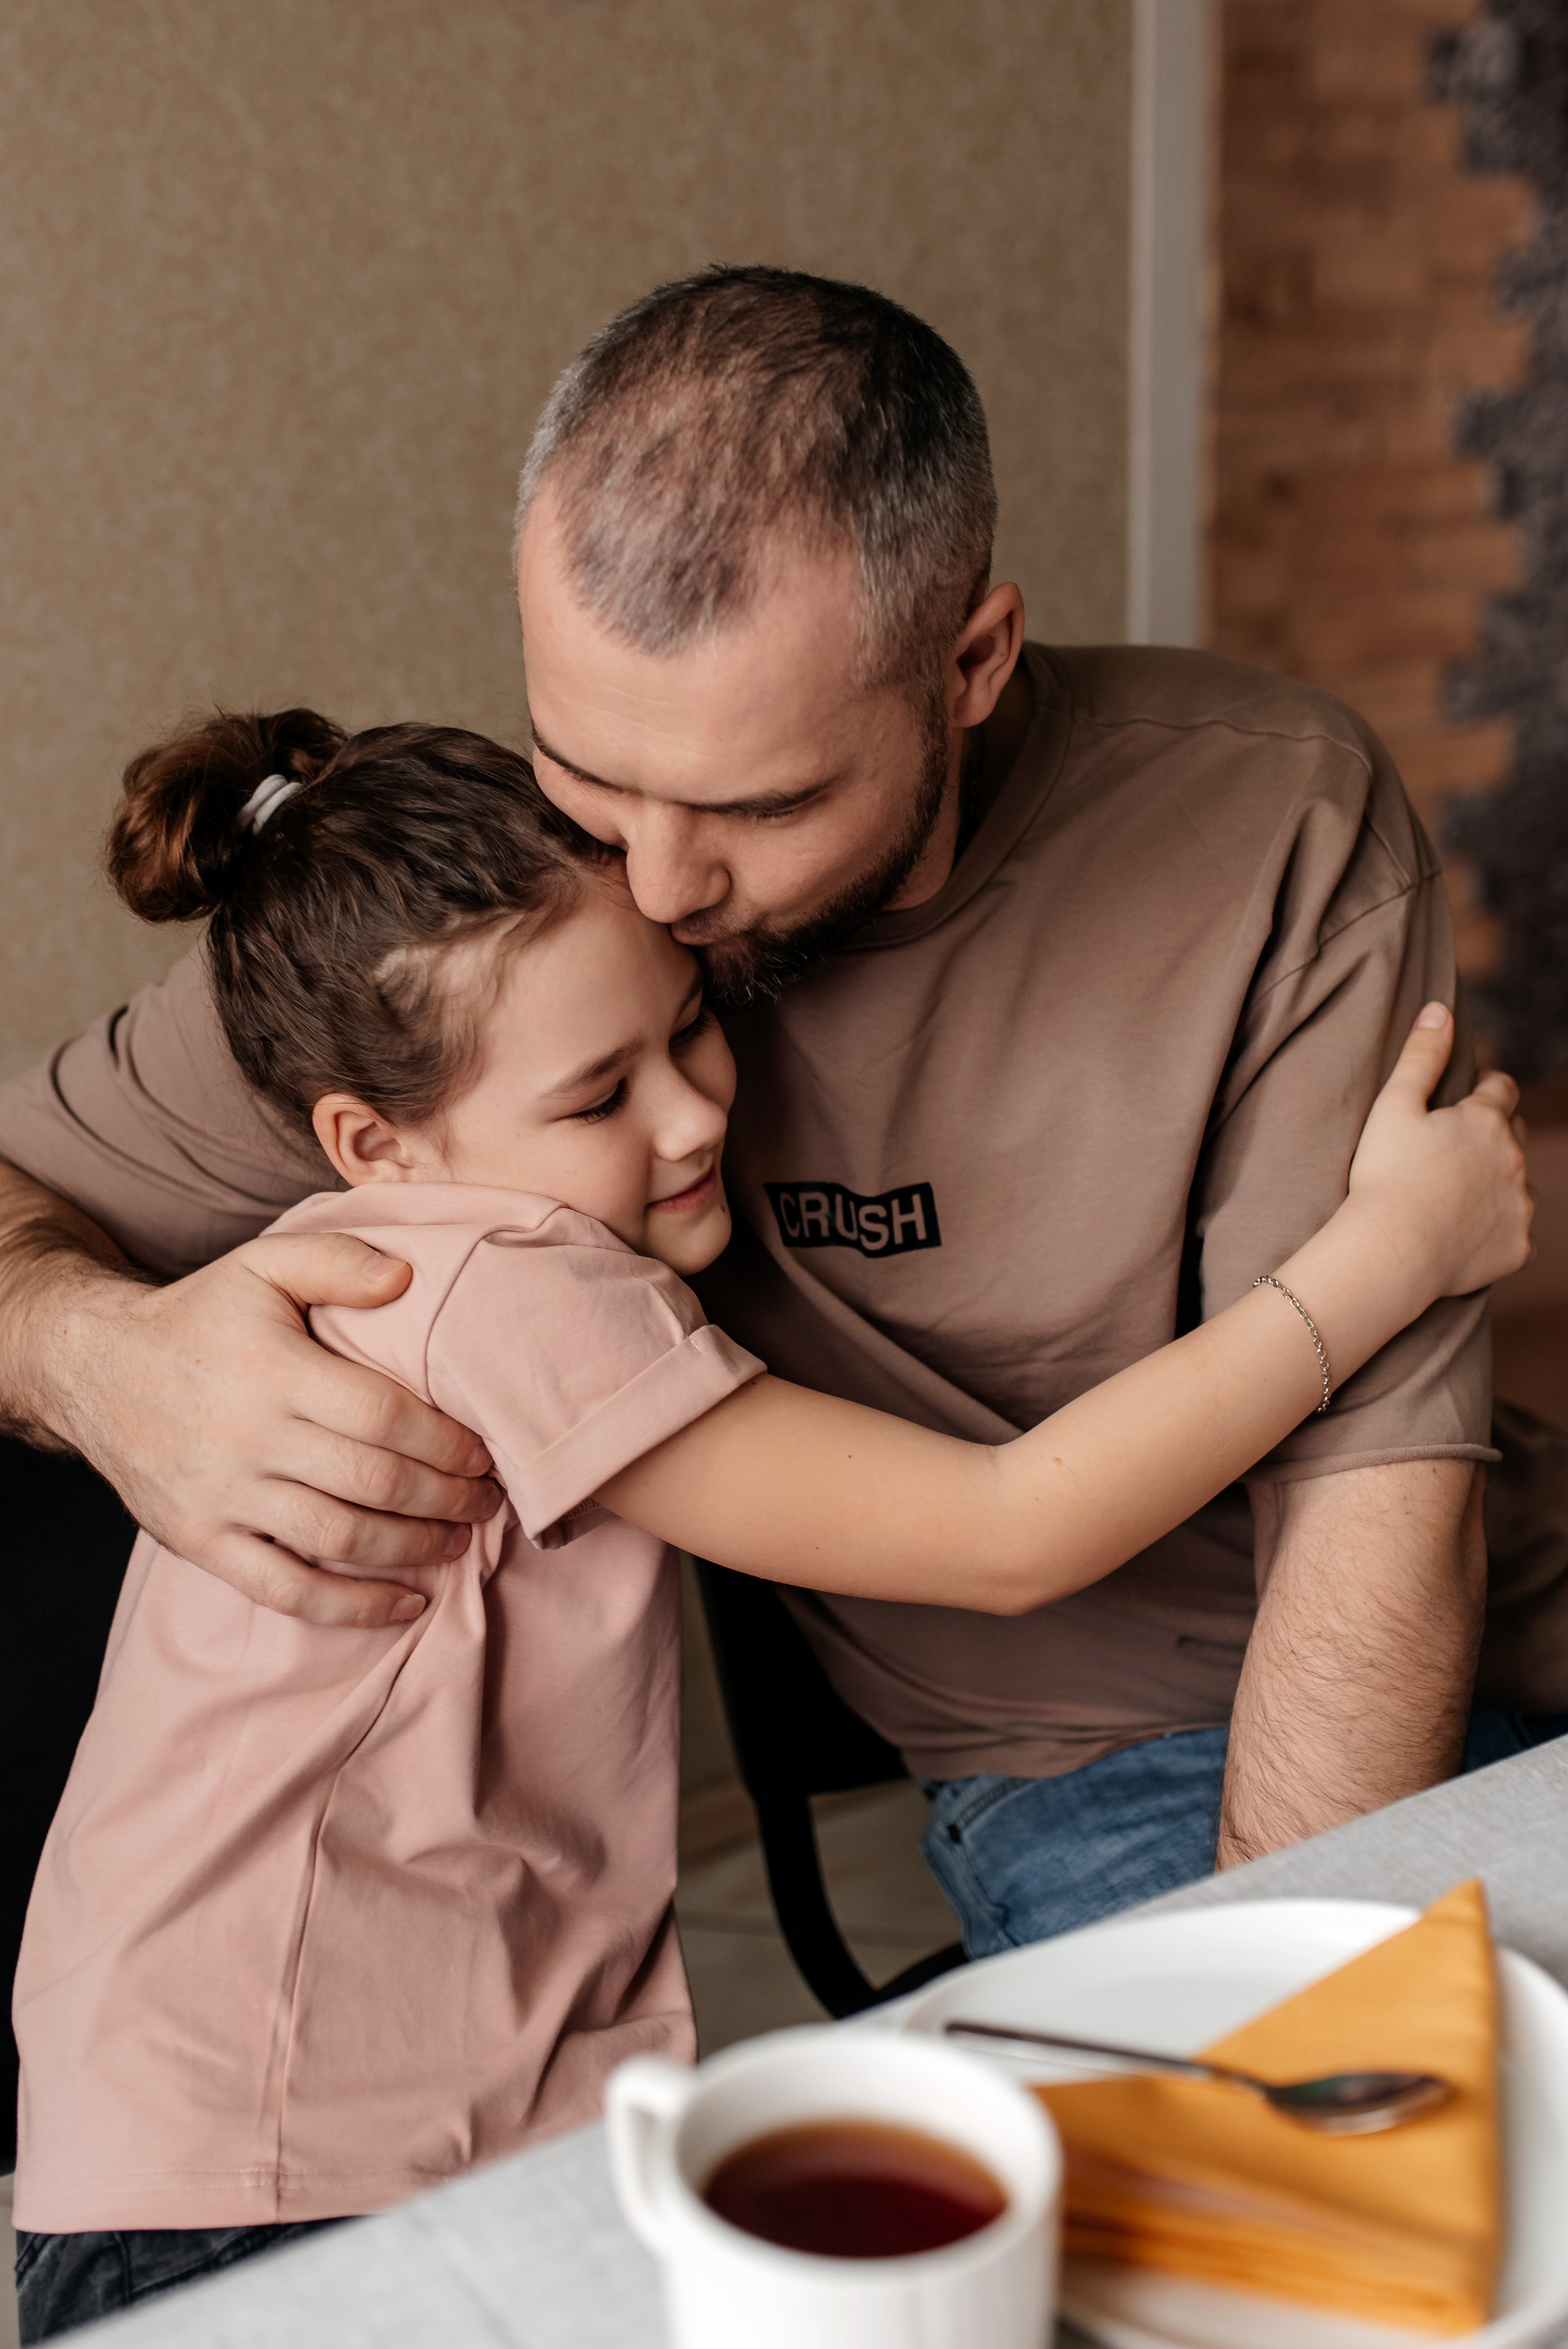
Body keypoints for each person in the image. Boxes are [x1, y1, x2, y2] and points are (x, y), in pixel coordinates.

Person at [0, 268, 1559, 1968]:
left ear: (972, 660)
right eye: (587, 769)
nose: (657, 885)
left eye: (758, 804)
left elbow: (1378, 1515)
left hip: (1475, 1632)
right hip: (1102, 1754)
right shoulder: (497, 940)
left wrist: (1307, 2007)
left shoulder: (1274, 816)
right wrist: (110, 1361)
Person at [10, 705, 1529, 2339]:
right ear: (378, 1147)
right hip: (254, 2193)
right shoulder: (496, 1288)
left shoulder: (466, 1240)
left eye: (690, 1029)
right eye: (599, 1096)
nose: (688, 1116)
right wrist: (1387, 1259)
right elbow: (1011, 1526)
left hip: (282, 2131)